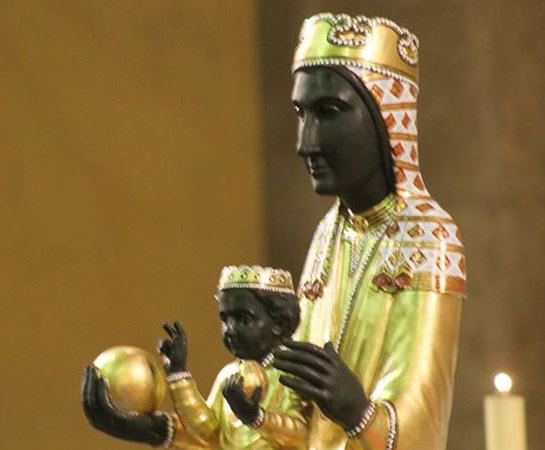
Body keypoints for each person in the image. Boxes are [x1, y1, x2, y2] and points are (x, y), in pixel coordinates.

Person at [271, 13, 467, 450]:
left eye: (328, 112)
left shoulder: (429, 238)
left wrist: (357, 411)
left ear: (385, 120)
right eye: (301, 113)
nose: (305, 143)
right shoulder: (328, 233)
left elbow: (423, 427)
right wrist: (180, 427)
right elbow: (293, 412)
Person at [82, 265, 309, 449]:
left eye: (243, 319)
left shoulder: (291, 372)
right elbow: (207, 430)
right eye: (225, 319)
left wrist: (255, 416)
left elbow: (303, 437)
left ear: (279, 323)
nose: (230, 330)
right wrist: (178, 374)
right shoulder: (229, 375)